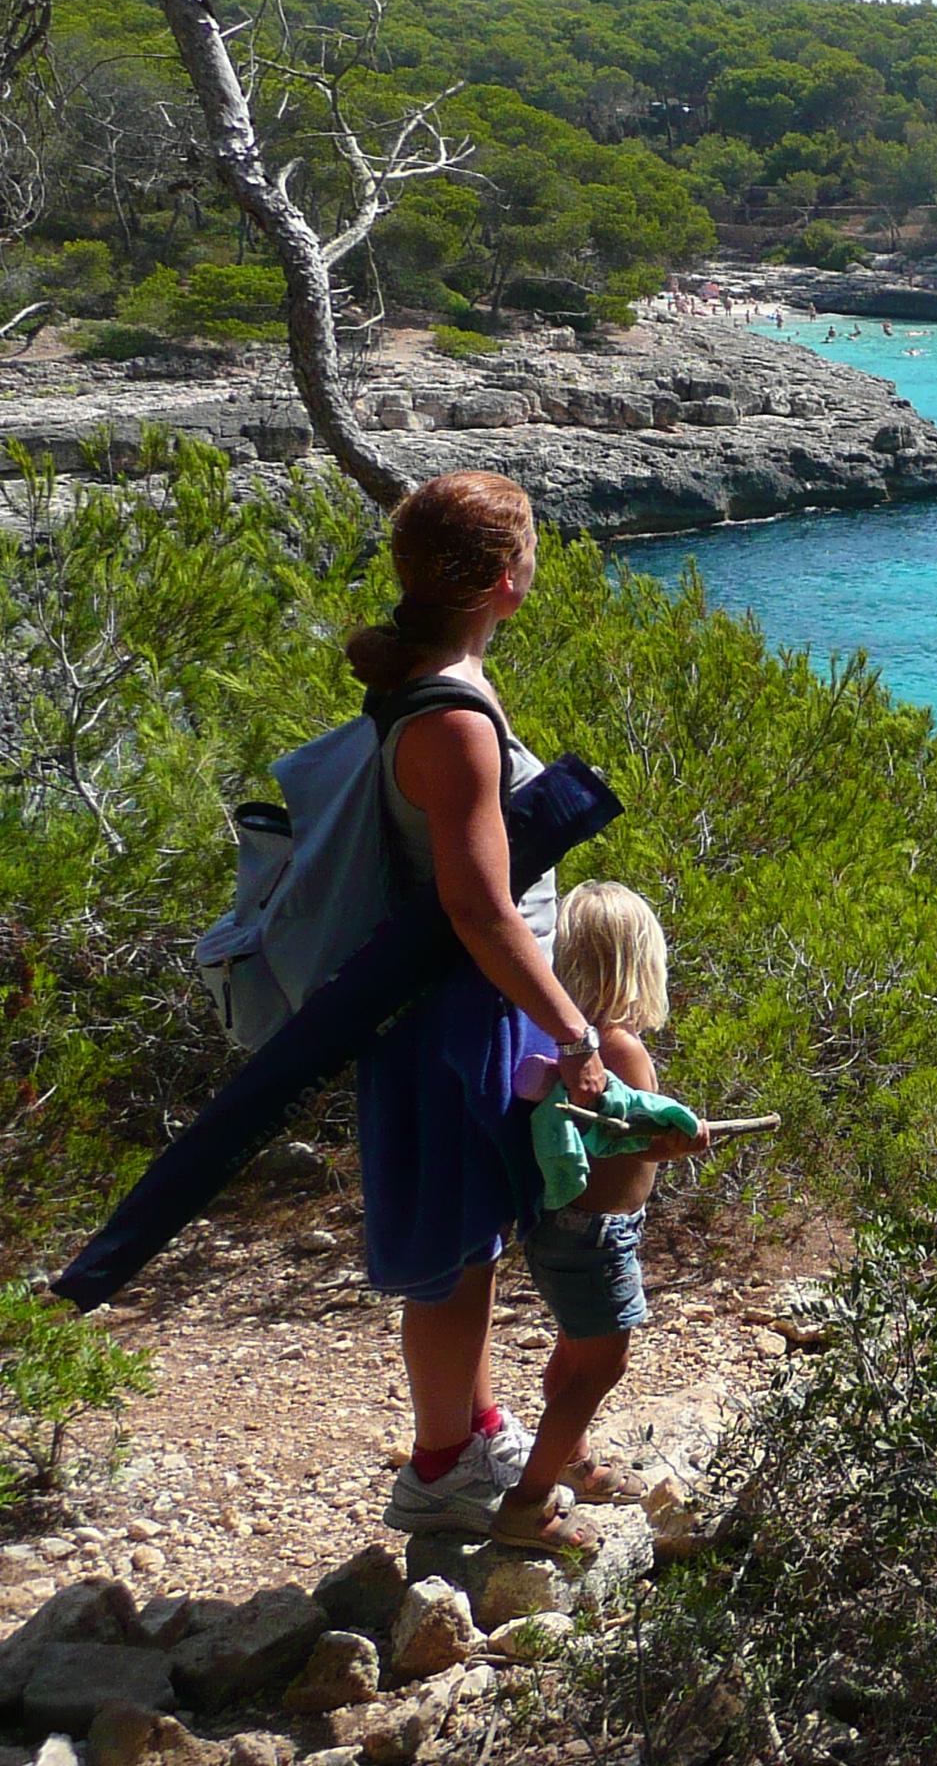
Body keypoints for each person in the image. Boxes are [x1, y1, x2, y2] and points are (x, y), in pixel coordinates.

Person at [347, 472, 615, 1539]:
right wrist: (573, 1027)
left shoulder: (435, 681)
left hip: (461, 1012)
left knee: (470, 1250)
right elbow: (478, 907)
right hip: (457, 1019)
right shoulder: (453, 715)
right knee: (454, 1259)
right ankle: (440, 1466)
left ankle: (474, 1428)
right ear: (508, 579)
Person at [492, 883, 710, 1554]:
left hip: (565, 1229)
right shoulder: (619, 1051)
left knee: (574, 1349)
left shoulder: (566, 1042)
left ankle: (575, 1465)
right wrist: (680, 1140)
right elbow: (627, 1136)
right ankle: (528, 1503)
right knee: (601, 1363)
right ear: (636, 964)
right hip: (598, 1235)